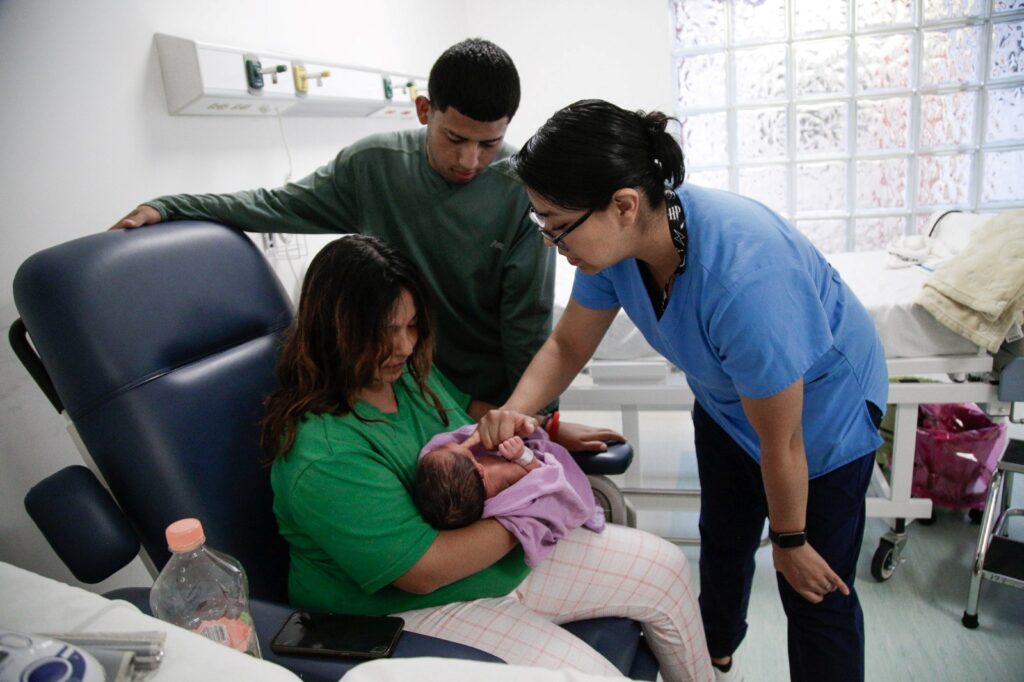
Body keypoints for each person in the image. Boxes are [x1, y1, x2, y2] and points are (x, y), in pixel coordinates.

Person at [473, 100, 888, 682]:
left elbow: (785, 441)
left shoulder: (746, 279)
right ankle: (715, 651)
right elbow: (567, 347)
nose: (551, 242)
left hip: (820, 420)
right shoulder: (615, 252)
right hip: (726, 407)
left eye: (556, 225)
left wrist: (790, 540)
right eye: (541, 223)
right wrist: (516, 413)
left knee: (815, 590)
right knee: (723, 537)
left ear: (623, 205)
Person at [261, 234, 713, 682]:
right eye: (385, 332)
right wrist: (530, 507)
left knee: (666, 568)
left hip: (493, 564)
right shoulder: (323, 453)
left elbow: (466, 412)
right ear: (336, 331)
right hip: (410, 607)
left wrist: (542, 426)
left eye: (412, 325)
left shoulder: (402, 375)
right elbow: (424, 570)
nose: (404, 347)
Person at [110, 38, 550, 413]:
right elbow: (274, 205)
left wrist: (534, 416)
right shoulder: (372, 167)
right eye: (454, 138)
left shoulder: (520, 193)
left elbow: (526, 324)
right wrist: (171, 206)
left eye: (489, 144)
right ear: (423, 111)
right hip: (396, 387)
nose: (468, 161)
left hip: (486, 401)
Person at [413, 426, 605, 567]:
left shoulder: (467, 488)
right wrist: (522, 455)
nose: (447, 443)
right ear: (479, 468)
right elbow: (541, 477)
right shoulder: (503, 475)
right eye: (448, 449)